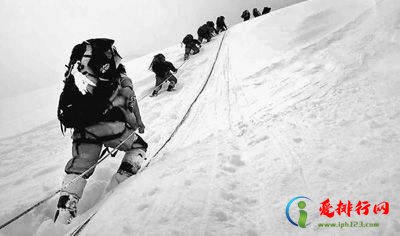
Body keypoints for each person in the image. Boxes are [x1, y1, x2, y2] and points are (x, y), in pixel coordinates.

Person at [54, 38, 147, 224]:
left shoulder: (80, 68)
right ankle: (118, 188)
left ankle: (63, 215)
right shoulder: (113, 73)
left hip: (81, 128)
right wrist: (139, 121)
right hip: (107, 126)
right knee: (138, 145)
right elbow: (128, 96)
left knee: (79, 169)